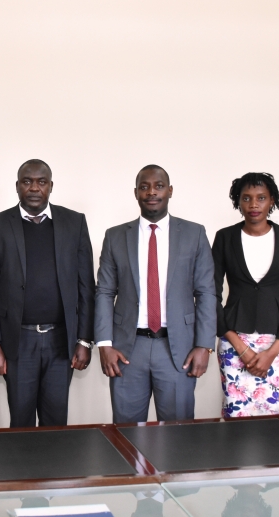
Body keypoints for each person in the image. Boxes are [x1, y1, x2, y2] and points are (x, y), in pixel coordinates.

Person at [95, 164, 216, 424]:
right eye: (144, 186)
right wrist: (104, 344)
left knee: (178, 435)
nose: (152, 192)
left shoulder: (194, 234)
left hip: (178, 350)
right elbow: (104, 291)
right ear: (136, 192)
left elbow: (206, 292)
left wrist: (204, 345)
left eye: (159, 186)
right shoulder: (115, 236)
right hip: (127, 349)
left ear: (170, 191)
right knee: (127, 433)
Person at [0, 159, 95, 427]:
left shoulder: (74, 222)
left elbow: (86, 286)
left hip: (60, 341)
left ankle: (55, 470)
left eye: (41, 182)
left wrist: (85, 340)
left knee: (56, 422)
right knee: (21, 421)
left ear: (50, 186)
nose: (34, 188)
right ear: (17, 186)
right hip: (17, 342)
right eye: (26, 181)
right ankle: (22, 470)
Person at [212, 172, 279, 417]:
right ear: (238, 201)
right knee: (236, 414)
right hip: (234, 339)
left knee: (274, 419)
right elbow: (210, 293)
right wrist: (238, 345)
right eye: (246, 198)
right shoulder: (225, 237)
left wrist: (272, 352)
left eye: (261, 197)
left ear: (272, 200)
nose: (253, 204)